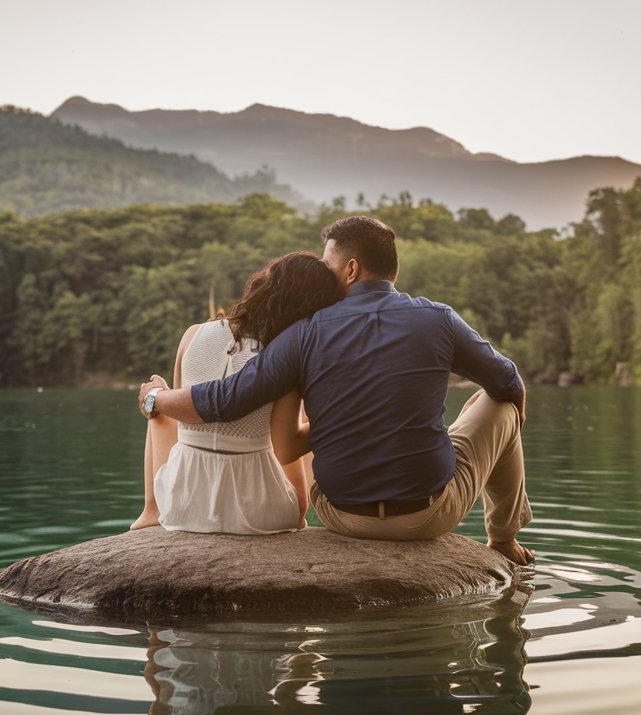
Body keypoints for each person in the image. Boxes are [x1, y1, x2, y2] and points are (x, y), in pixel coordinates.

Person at [138, 216, 534, 565]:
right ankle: (503, 540)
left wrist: (158, 398)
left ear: (350, 269)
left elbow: (228, 398)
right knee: (496, 403)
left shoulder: (304, 332)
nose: (323, 277)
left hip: (339, 514)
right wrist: (514, 417)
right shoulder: (438, 319)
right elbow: (508, 382)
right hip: (426, 516)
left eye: (328, 267)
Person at [131, 251, 342, 534]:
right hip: (260, 514)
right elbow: (288, 448)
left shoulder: (193, 334)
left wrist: (155, 395)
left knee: (161, 402)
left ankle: (151, 511)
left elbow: (184, 420)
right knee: (301, 421)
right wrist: (299, 511)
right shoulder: (285, 358)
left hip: (182, 506)